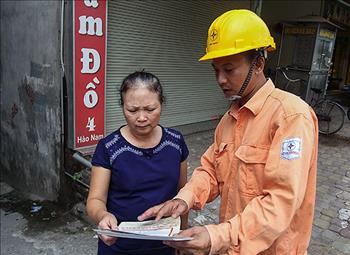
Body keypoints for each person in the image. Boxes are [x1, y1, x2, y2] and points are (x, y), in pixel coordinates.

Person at [138, 9, 318, 255]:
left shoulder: (290, 116)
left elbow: (281, 201)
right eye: (215, 70)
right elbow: (211, 170)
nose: (220, 79)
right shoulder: (229, 119)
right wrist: (184, 199)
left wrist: (217, 236)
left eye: (229, 69)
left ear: (258, 64)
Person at [86, 71, 189, 255]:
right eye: (132, 110)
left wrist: (182, 233)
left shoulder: (176, 142)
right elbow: (95, 199)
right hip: (119, 244)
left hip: (165, 243)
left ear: (162, 104)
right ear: (123, 107)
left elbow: (183, 194)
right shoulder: (109, 147)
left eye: (150, 109)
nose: (141, 118)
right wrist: (102, 215)